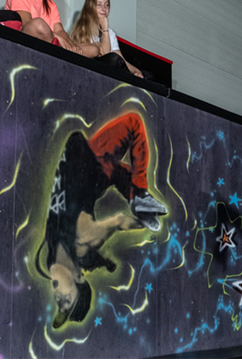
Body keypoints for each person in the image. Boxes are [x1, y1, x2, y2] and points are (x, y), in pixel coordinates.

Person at [36, 113, 168, 328]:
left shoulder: (50, 258)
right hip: (95, 160)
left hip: (94, 165)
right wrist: (144, 224)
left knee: (120, 173)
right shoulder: (84, 241)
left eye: (58, 304)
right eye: (67, 300)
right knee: (133, 123)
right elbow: (120, 221)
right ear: (79, 279)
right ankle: (138, 193)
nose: (58, 298)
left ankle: (135, 194)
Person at [70, 0, 146, 78]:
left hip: (110, 72)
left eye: (107, 5)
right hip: (90, 72)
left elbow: (120, 59)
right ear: (90, 7)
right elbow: (107, 56)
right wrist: (104, 28)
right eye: (99, 5)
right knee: (113, 59)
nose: (104, 9)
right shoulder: (83, 28)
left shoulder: (111, 33)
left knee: (146, 75)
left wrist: (136, 71)